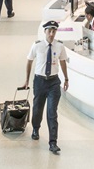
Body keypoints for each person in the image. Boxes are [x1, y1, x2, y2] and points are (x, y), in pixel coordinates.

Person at [22, 20, 69, 155]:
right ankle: (36, 128)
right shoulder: (37, 45)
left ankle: (53, 142)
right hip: (40, 81)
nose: (52, 34)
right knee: (37, 109)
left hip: (54, 82)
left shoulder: (60, 46)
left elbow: (63, 62)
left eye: (54, 31)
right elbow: (29, 61)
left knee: (52, 113)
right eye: (50, 31)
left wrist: (66, 78)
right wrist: (26, 80)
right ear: (45, 32)